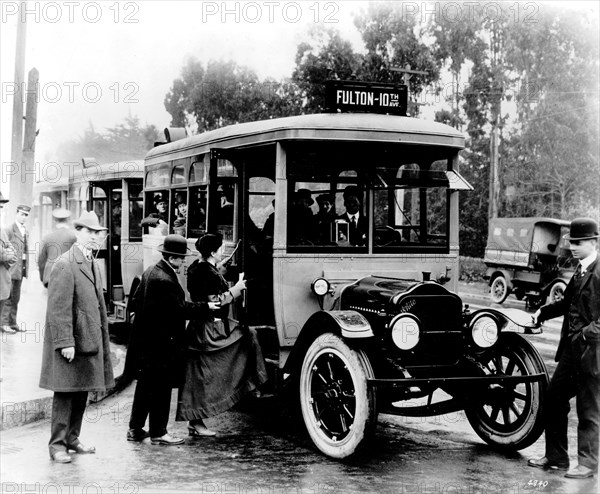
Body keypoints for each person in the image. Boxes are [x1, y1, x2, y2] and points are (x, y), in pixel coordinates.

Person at [124, 234, 218, 445]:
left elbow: (136, 301)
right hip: (162, 344)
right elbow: (180, 309)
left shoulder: (151, 271)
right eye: (181, 257)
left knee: (145, 386)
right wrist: (206, 307)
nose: (183, 261)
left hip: (147, 342)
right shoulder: (165, 279)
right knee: (161, 388)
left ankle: (135, 429)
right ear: (173, 258)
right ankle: (159, 432)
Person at [39, 211, 114, 464]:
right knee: (65, 393)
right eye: (90, 232)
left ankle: (72, 438)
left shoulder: (91, 261)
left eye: (98, 233)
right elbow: (58, 309)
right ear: (78, 232)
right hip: (72, 343)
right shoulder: (64, 262)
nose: (95, 237)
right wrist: (65, 343)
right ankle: (57, 445)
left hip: (87, 342)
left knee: (81, 390)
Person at [528, 217, 600, 479]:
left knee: (588, 408)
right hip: (572, 351)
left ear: (594, 242)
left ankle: (588, 464)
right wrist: (542, 312)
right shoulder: (581, 268)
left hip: (592, 353)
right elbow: (566, 303)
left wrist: (584, 336)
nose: (573, 247)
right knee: (555, 398)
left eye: (579, 243)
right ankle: (557, 457)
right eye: (572, 243)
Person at [176, 233, 268, 436]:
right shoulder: (205, 272)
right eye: (221, 249)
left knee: (202, 375)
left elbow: (208, 276)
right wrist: (236, 289)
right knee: (247, 337)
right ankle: (253, 384)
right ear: (212, 252)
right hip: (209, 329)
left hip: (204, 327)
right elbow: (216, 300)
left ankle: (251, 385)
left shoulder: (200, 267)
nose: (223, 251)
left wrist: (219, 268)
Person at [1, 205, 30, 332]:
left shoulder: (25, 231)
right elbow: (5, 246)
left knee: (16, 297)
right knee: (8, 297)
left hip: (20, 269)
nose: (24, 217)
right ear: (16, 214)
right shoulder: (9, 229)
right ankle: (4, 323)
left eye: (26, 215)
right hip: (11, 269)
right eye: (22, 214)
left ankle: (13, 322)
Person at [37, 208, 77, 288]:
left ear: (55, 220)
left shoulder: (47, 237)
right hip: (68, 277)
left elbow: (41, 260)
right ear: (68, 220)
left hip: (51, 277)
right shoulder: (73, 237)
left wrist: (43, 277)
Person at [0, 192, 17, 334]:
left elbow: (12, 251)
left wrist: (6, 253)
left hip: (2, 284)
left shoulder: (1, 229)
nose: (1, 210)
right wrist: (5, 253)